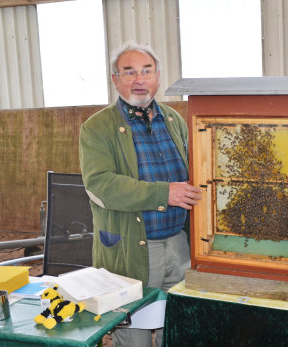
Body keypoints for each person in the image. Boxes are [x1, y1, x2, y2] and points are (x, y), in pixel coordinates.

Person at [79, 41, 203, 347]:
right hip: (132, 248)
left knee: (176, 326)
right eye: (129, 72)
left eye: (146, 71)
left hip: (179, 245)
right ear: (115, 80)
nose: (139, 79)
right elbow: (101, 184)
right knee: (132, 331)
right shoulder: (97, 128)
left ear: (158, 76)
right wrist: (165, 193)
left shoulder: (174, 121)